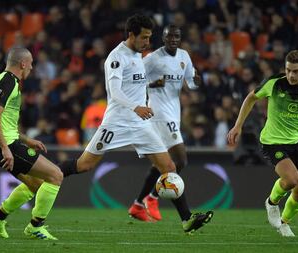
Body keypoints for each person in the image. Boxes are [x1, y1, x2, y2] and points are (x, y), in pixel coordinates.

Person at [59, 14, 213, 233]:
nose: (148, 42)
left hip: (141, 125)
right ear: (131, 35)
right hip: (117, 122)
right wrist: (136, 107)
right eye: (144, 37)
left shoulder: (140, 56)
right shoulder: (117, 57)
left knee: (169, 167)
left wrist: (158, 85)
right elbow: (115, 91)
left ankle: (187, 220)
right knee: (84, 165)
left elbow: (138, 83)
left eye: (150, 37)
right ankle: (49, 174)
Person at [227, 50, 298, 237]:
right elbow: (250, 98)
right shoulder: (274, 83)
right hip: (272, 142)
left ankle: (284, 223)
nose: (291, 75)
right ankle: (272, 202)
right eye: (288, 70)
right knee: (292, 180)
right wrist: (238, 126)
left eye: (296, 71)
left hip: (296, 143)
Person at [0, 47, 63, 240]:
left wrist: (28, 140)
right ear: (23, 64)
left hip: (2, 144)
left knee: (35, 184)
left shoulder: (3, 81)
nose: (32, 67)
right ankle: (36, 226)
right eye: (31, 63)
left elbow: (4, 122)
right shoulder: (8, 82)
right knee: (55, 175)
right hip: (5, 146)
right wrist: (5, 148)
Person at [127, 24, 203, 223]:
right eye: (169, 37)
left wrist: (197, 81)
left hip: (173, 114)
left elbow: (191, 83)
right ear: (163, 38)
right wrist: (153, 84)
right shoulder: (153, 58)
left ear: (180, 38)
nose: (173, 40)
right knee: (180, 160)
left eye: (176, 37)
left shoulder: (184, 56)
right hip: (159, 115)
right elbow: (134, 80)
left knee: (163, 163)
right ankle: (153, 198)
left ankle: (137, 204)